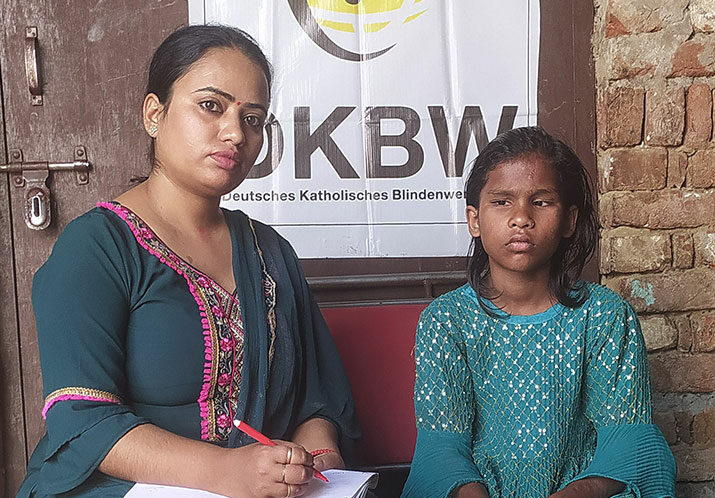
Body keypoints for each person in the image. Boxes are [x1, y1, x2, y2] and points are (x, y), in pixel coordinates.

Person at [18, 25, 359, 498]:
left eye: (253, 119)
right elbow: (84, 421)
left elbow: (316, 400)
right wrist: (228, 472)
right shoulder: (96, 247)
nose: (235, 133)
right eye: (211, 106)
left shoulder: (270, 252)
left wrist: (319, 462)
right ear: (154, 114)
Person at [401, 127, 676, 498]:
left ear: (569, 220)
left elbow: (628, 442)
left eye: (541, 202)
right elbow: (441, 449)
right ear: (474, 220)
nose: (521, 218)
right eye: (502, 202)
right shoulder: (446, 320)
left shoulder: (604, 316)